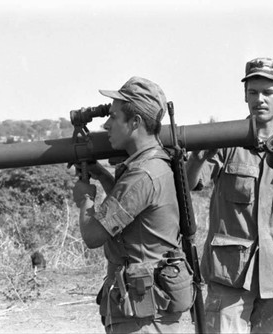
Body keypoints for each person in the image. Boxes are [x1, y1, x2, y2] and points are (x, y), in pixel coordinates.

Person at [186, 57, 273, 333]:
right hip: (229, 278)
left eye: (268, 92)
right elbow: (192, 184)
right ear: (244, 95)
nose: (259, 100)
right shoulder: (225, 140)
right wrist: (197, 158)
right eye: (253, 92)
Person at [72, 76, 193, 333]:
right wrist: (104, 176)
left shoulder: (142, 175)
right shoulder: (153, 165)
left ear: (135, 122)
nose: (106, 125)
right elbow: (131, 214)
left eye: (114, 117)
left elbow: (93, 235)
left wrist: (85, 198)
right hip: (144, 307)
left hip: (143, 315)